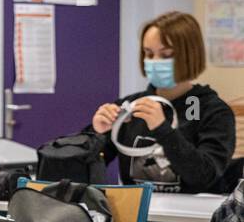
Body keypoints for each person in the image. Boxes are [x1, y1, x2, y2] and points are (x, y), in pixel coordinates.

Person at [86, 11, 234, 193]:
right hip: (137, 215)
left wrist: (162, 129)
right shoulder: (130, 105)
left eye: (166, 55)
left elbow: (205, 176)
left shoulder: (209, 109)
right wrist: (96, 134)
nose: (154, 62)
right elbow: (81, 172)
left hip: (193, 217)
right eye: (148, 54)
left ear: (189, 56)